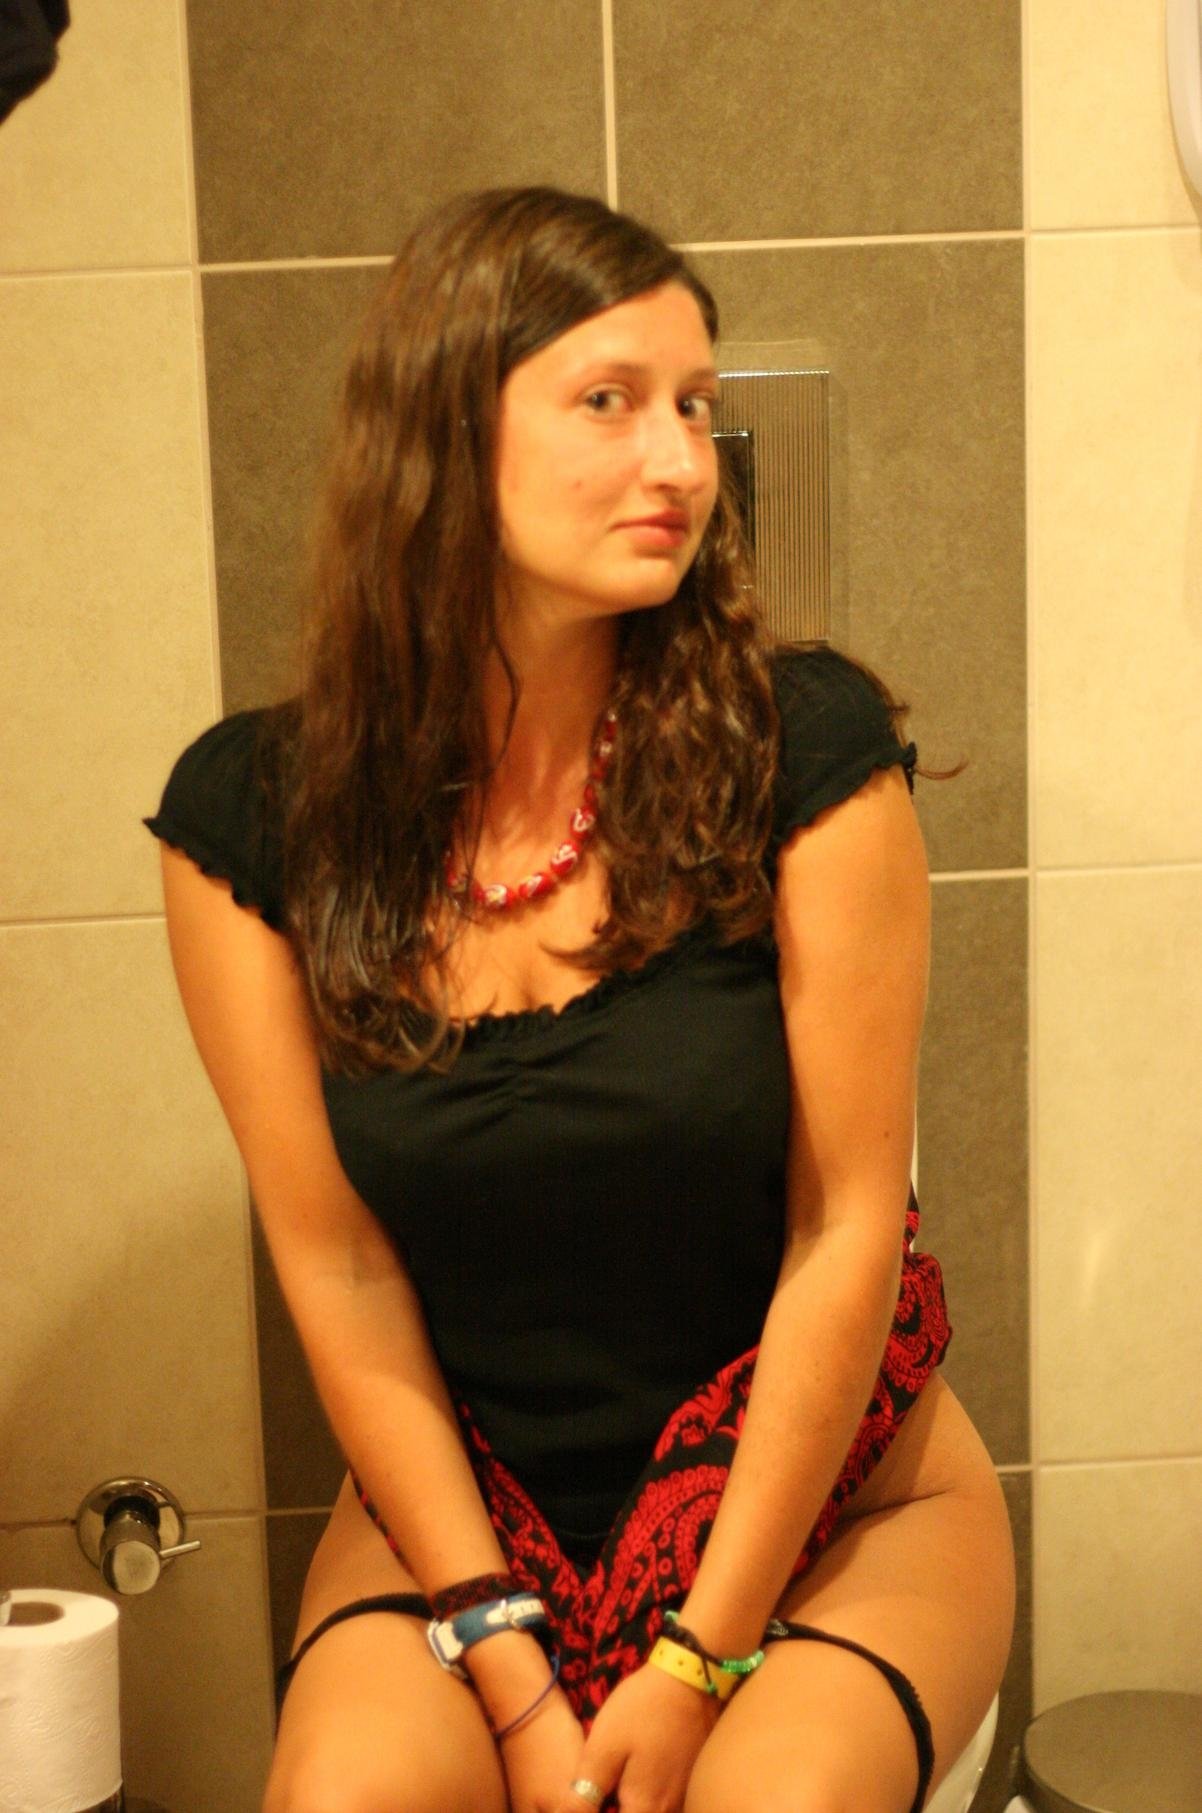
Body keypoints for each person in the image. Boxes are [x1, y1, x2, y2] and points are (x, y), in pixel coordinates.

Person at [147, 187, 1014, 1813]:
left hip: (829, 1515)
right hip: (470, 1523)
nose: (679, 458)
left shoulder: (802, 751)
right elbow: (335, 1261)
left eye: (694, 404)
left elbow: (846, 1222)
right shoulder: (258, 819)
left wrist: (696, 1662)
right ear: (439, 436)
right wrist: (506, 1660)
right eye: (609, 400)